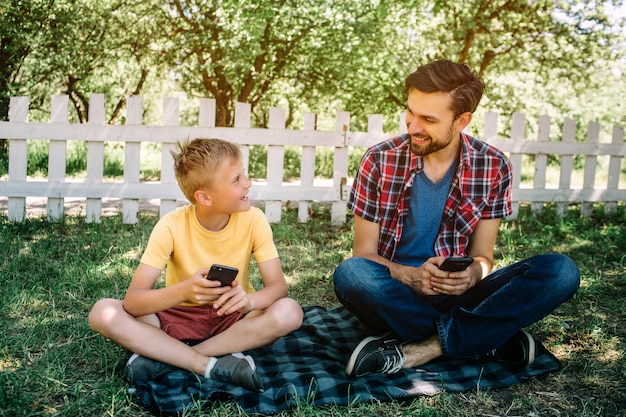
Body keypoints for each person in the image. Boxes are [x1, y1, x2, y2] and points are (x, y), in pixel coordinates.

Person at [333, 59, 580, 377]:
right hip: (397, 294)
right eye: (410, 111)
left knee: (561, 272)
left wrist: (475, 273)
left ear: (462, 120)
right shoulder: (379, 160)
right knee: (351, 275)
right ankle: (486, 337)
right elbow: (364, 255)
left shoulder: (493, 166)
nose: (413, 127)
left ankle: (423, 349)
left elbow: (483, 256)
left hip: (461, 297)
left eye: (428, 119)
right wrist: (411, 277)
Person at [89, 138, 303, 391]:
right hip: (175, 319)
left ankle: (169, 358)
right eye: (236, 179)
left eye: (243, 174)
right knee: (102, 312)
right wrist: (184, 291)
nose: (247, 182)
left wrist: (248, 301)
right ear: (204, 197)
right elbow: (133, 302)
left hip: (231, 318)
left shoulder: (254, 220)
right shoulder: (170, 226)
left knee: (289, 312)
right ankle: (208, 364)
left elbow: (278, 287)